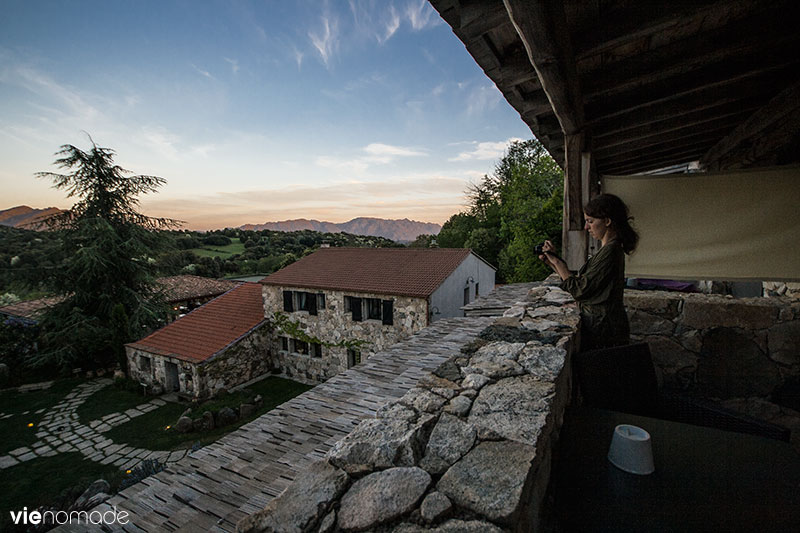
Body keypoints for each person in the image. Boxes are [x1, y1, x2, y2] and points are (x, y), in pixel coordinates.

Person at [539, 194, 639, 350]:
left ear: (607, 221)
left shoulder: (611, 251)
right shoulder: (609, 249)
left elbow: (580, 289)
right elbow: (579, 281)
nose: (586, 227)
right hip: (604, 328)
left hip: (604, 331)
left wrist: (558, 262)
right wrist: (553, 262)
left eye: (590, 221)